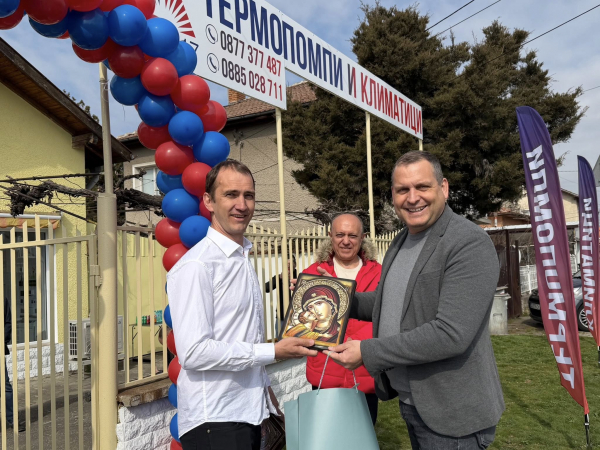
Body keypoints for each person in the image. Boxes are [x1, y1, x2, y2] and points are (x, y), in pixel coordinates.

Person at [325, 151, 504, 449]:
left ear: (443, 188)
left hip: (453, 415)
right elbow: (387, 302)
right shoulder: (402, 240)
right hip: (414, 401)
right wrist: (332, 297)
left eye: (422, 187)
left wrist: (368, 351)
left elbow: (451, 334)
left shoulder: (468, 242)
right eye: (402, 189)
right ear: (393, 195)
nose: (412, 198)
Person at [167, 160, 318, 450]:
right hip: (215, 421)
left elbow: (242, 335)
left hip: (247, 413)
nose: (242, 205)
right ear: (208, 201)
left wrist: (267, 397)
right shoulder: (197, 266)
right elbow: (194, 352)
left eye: (248, 195)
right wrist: (273, 351)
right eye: (231, 194)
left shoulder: (241, 257)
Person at [301, 213, 382, 425]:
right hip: (325, 376)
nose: (346, 241)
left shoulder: (380, 274)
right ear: (330, 236)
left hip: (365, 377)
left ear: (362, 237)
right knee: (324, 438)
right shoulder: (313, 273)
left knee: (362, 438)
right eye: (340, 235)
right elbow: (305, 326)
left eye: (352, 235)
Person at [264, 256, 297, 331]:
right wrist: (279, 278)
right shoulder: (279, 277)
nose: (288, 265)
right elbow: (266, 288)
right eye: (286, 263)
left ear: (295, 265)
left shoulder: (298, 277)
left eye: (290, 263)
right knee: (279, 337)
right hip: (281, 317)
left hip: (296, 317)